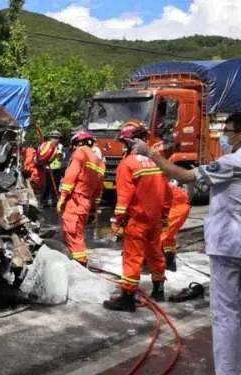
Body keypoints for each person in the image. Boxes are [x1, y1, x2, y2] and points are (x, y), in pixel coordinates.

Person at [127, 112, 241, 375]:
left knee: (225, 312)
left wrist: (150, 153)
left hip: (227, 246)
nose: (225, 136)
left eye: (228, 130)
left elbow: (184, 175)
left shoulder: (230, 163)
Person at [103, 120, 172, 312]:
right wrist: (165, 215)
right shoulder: (157, 160)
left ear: (129, 142)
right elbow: (167, 193)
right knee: (155, 252)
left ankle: (127, 297)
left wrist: (118, 220)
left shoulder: (128, 164)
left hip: (138, 219)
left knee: (133, 257)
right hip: (155, 219)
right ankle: (159, 289)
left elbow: (124, 197)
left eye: (124, 143)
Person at [57, 131, 105, 266]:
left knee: (71, 232)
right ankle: (80, 260)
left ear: (77, 143)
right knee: (78, 233)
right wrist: (94, 208)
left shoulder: (80, 153)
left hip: (76, 199)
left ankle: (79, 263)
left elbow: (70, 176)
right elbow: (98, 189)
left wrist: (63, 197)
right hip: (86, 201)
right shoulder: (100, 162)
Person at [161, 180, 191, 271]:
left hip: (177, 207)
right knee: (167, 236)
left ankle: (163, 263)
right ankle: (169, 263)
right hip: (178, 206)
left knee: (162, 236)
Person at [38, 130, 63, 208]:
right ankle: (43, 202)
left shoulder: (60, 146)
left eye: (57, 138)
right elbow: (41, 155)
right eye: (54, 137)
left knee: (55, 185)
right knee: (46, 186)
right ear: (51, 138)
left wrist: (58, 153)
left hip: (57, 168)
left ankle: (54, 202)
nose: (56, 139)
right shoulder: (45, 145)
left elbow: (60, 156)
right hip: (48, 168)